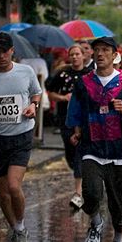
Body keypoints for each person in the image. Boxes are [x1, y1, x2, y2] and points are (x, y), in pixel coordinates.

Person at [67, 37, 122, 242]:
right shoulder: (84, 83)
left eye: (105, 50)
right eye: (97, 50)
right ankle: (96, 222)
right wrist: (76, 130)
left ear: (115, 55)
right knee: (90, 193)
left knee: (119, 205)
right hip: (91, 148)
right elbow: (75, 110)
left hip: (118, 152)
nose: (100, 54)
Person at [0, 32, 42, 242]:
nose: (1, 56)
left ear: (12, 51)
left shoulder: (25, 71)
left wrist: (33, 106)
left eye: (5, 51)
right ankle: (16, 229)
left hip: (21, 135)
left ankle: (21, 224)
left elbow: (36, 93)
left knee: (14, 186)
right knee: (4, 193)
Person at [47, 44, 88, 208]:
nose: (75, 57)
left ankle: (78, 193)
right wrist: (63, 98)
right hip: (65, 118)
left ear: (83, 56)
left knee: (79, 153)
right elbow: (50, 93)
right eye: (72, 55)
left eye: (78, 54)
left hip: (84, 120)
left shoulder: (89, 74)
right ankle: (81, 177)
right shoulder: (62, 74)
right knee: (70, 153)